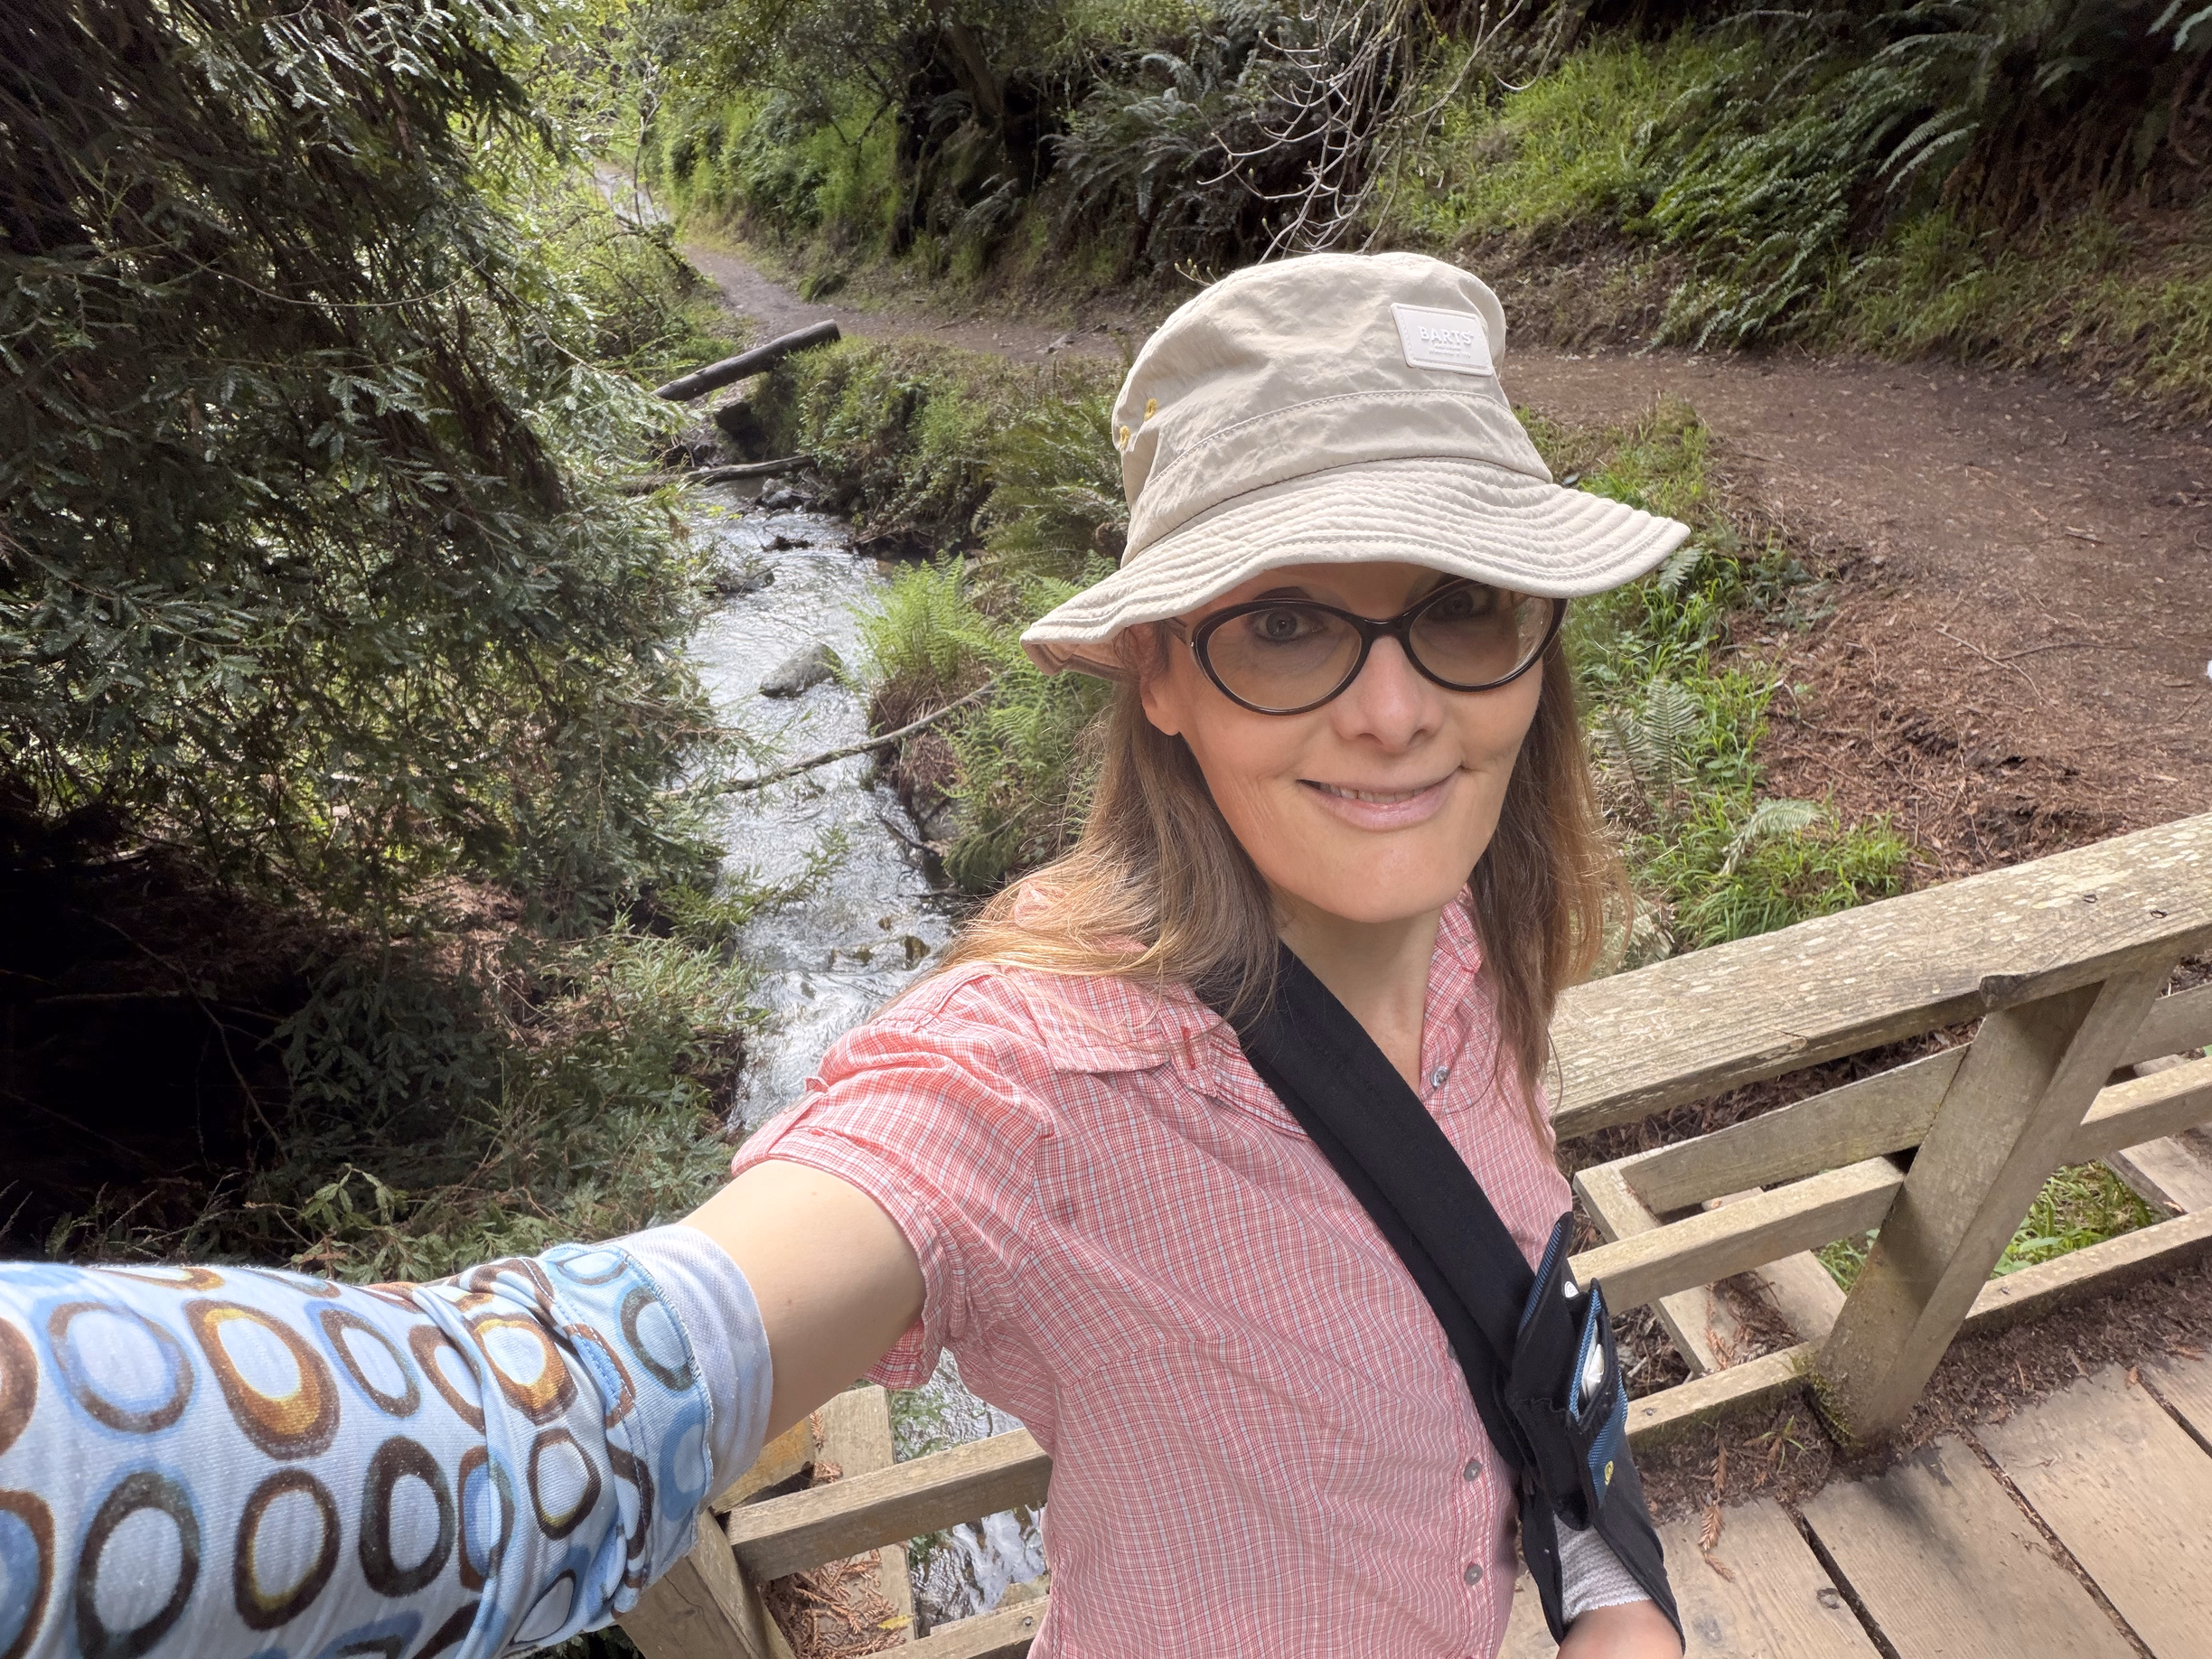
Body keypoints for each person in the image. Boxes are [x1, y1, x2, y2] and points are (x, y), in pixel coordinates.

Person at [0, 253, 1688, 1659]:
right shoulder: (1036, 1075)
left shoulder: (1477, 949)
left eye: (1462, 602)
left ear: (1539, 642)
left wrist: (1620, 1612)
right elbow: (573, 1404)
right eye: (1287, 623)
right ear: (1161, 677)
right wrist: (76, 1455)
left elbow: (1534, 1360)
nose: (1394, 711)